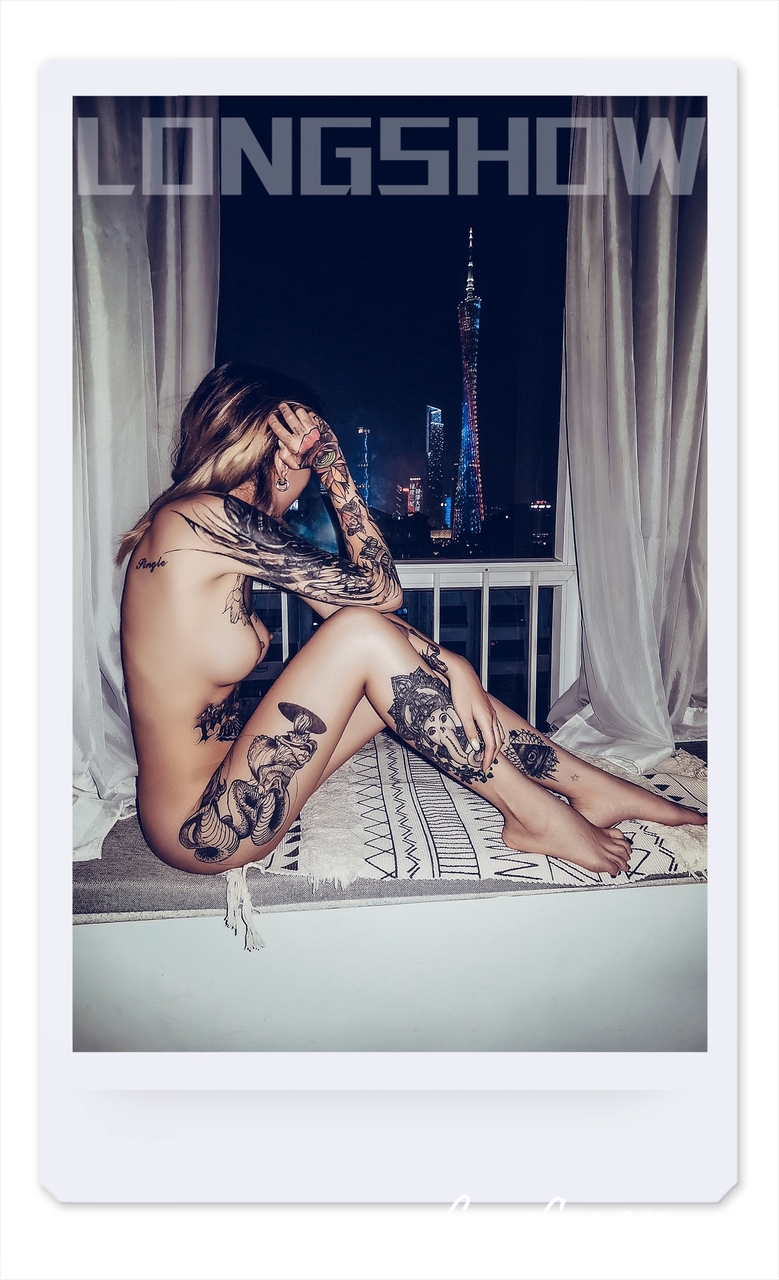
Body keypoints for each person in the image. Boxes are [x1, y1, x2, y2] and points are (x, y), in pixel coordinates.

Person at [118, 362, 705, 878]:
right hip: (201, 828)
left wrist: (452, 667)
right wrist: (336, 467)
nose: (310, 471)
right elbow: (379, 595)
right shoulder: (196, 519)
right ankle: (533, 815)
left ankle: (588, 786)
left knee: (388, 656)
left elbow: (365, 617)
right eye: (309, 453)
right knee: (363, 637)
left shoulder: (214, 531)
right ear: (279, 449)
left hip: (235, 780)